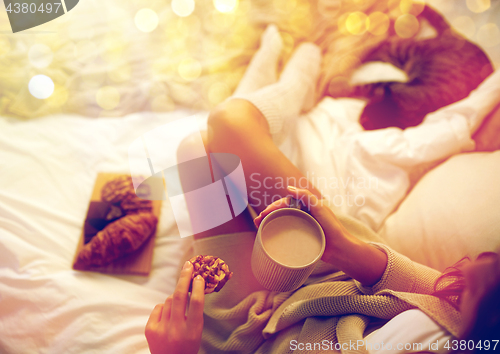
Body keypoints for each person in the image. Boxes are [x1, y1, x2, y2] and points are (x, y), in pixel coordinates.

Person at [145, 26, 500, 353]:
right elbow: (439, 292)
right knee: (228, 125)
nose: (488, 256)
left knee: (196, 148)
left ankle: (295, 71)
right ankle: (295, 73)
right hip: (334, 269)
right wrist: (348, 249)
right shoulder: (473, 325)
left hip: (245, 337)